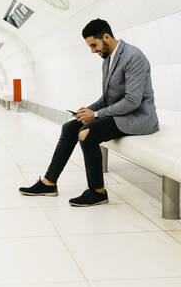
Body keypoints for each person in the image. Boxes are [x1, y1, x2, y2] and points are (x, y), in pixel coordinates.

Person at [19, 19, 159, 207]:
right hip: (120, 113)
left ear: (106, 37)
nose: (93, 50)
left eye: (94, 45)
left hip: (138, 117)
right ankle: (49, 183)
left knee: (87, 134)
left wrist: (96, 115)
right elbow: (107, 98)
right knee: (70, 127)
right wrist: (88, 110)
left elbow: (132, 101)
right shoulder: (107, 59)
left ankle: (98, 192)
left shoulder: (134, 57)